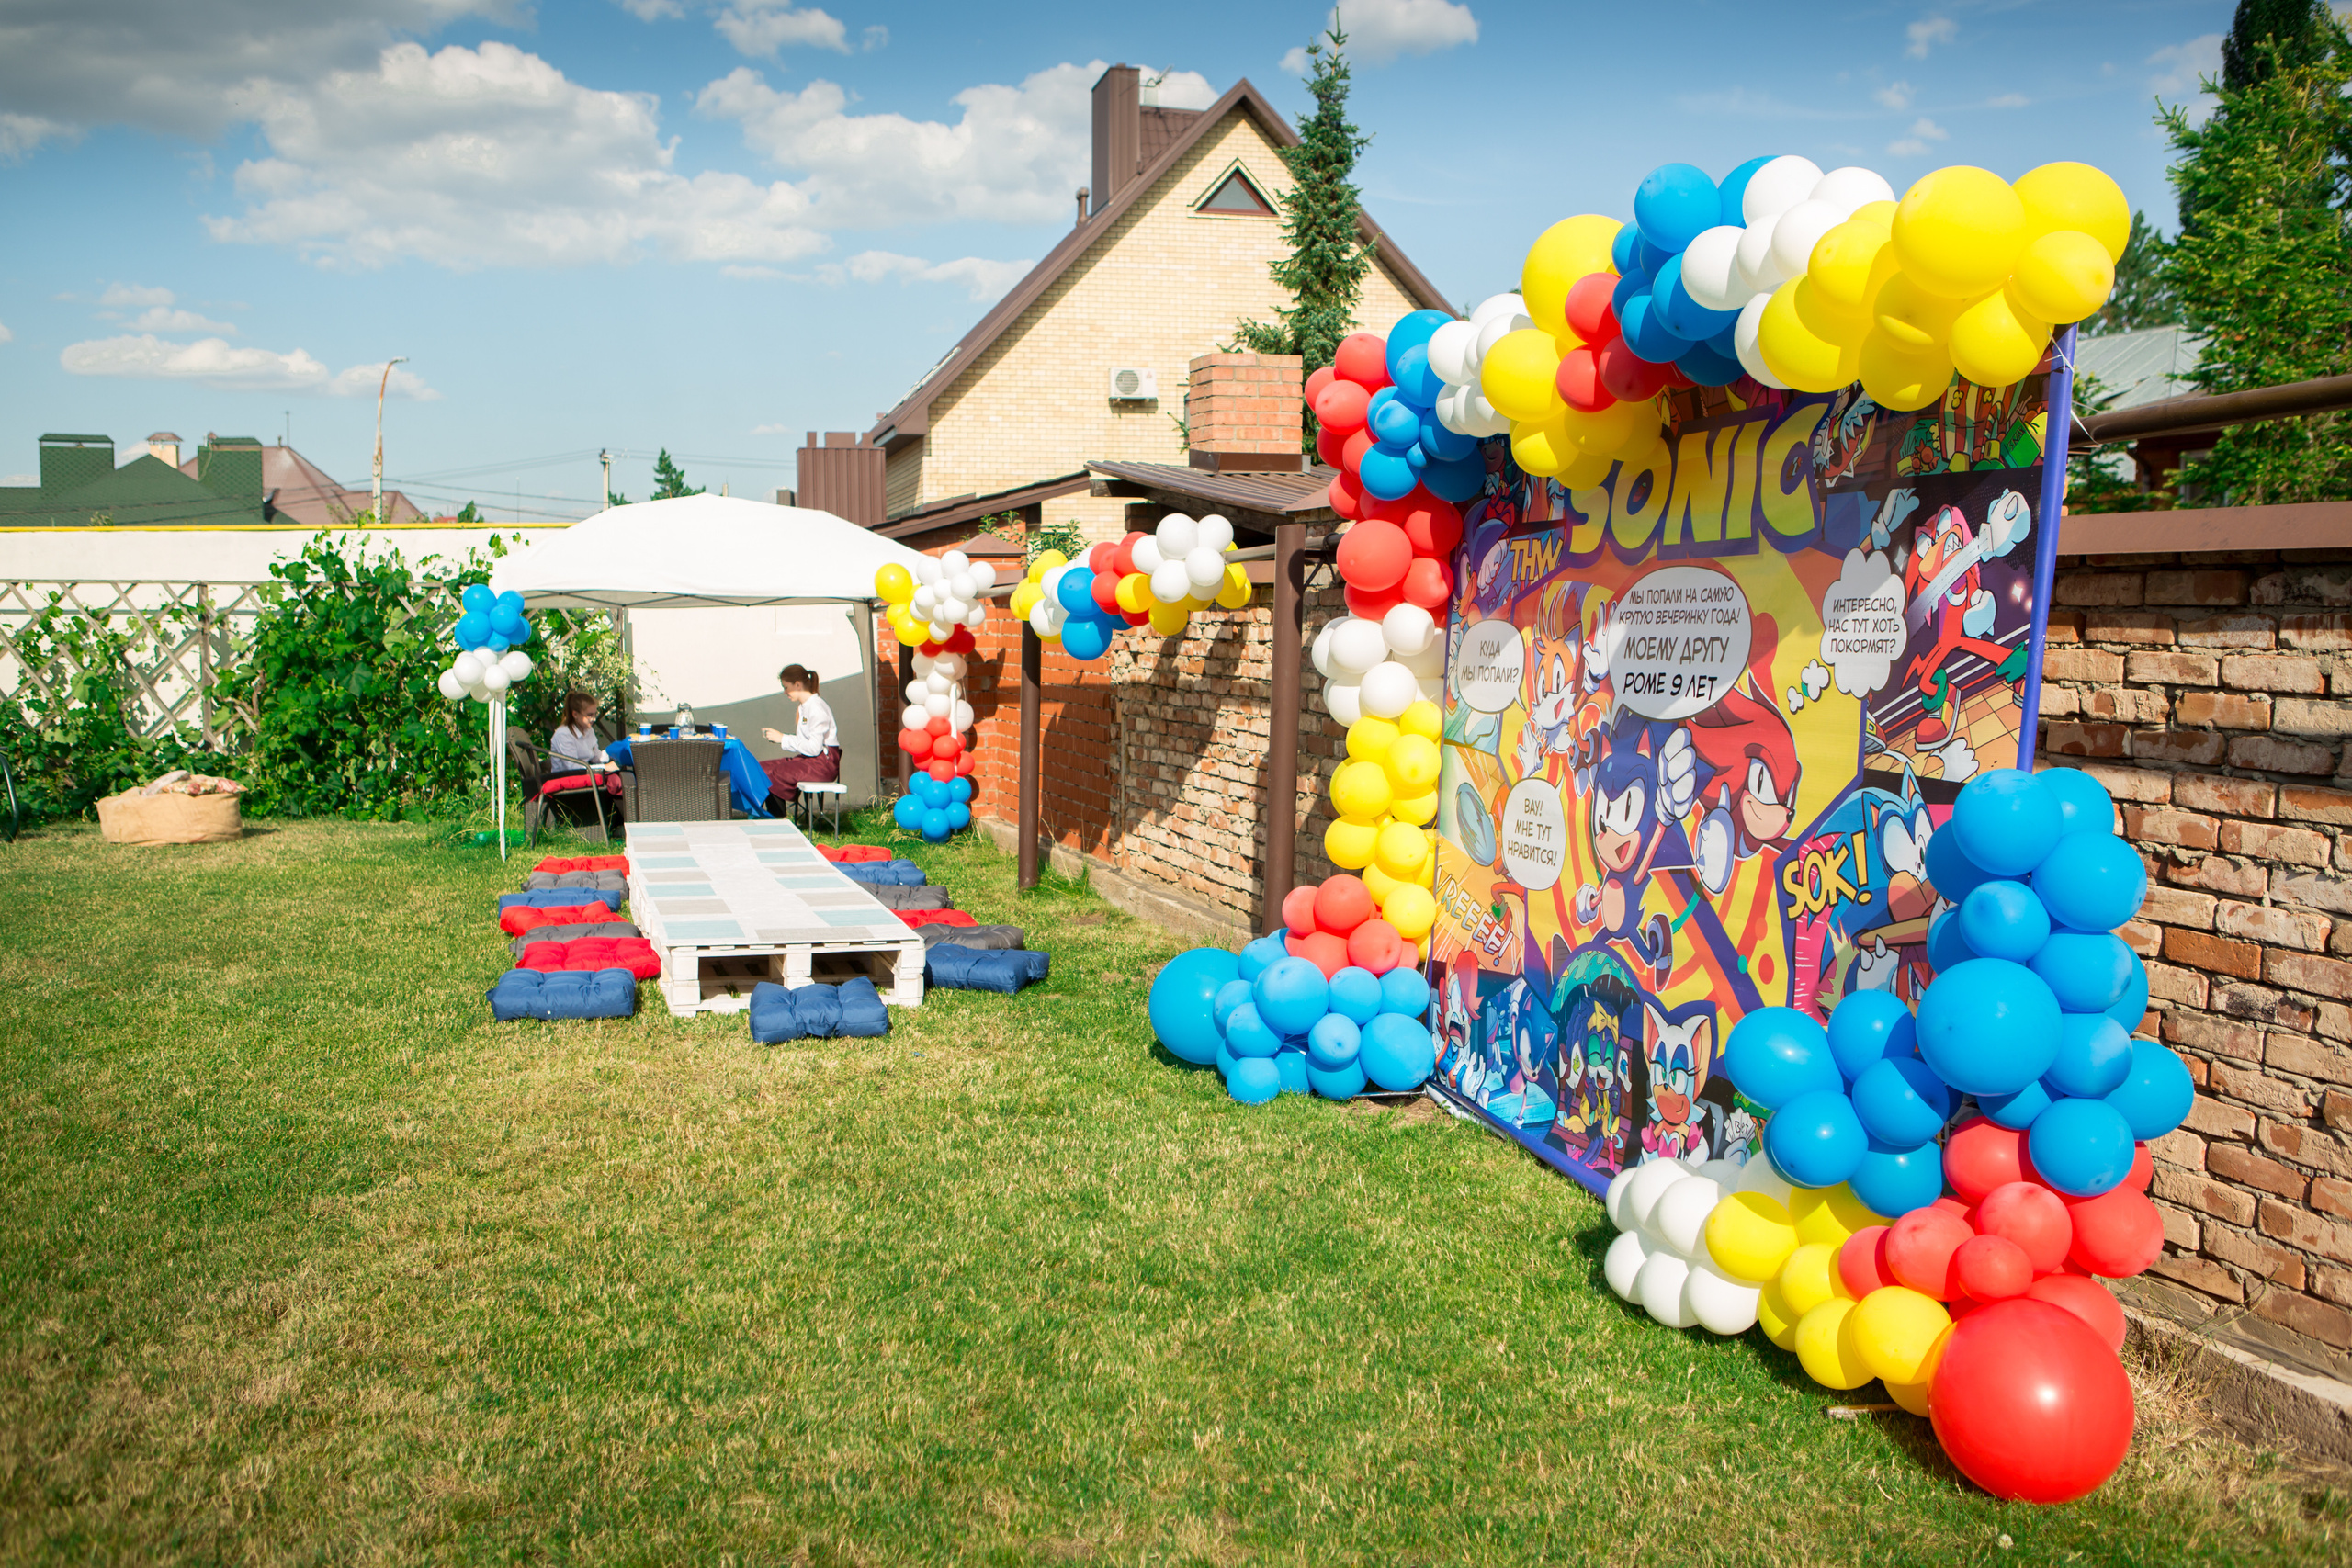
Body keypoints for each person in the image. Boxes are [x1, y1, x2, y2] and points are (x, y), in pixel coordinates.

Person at [761, 664, 841, 810]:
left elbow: (814, 749)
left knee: (780, 773)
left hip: (824, 764)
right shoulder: (804, 707)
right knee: (761, 769)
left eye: (786, 687)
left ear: (797, 685)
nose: (785, 693)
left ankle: (779, 820)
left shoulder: (816, 708)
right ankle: (758, 814)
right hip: (811, 760)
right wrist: (783, 739)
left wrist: (783, 738)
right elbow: (806, 746)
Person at [548, 690, 608, 772]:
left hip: (583, 775)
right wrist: (603, 768)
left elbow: (596, 757)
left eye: (595, 714)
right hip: (565, 779)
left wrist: (613, 753)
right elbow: (572, 768)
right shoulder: (564, 734)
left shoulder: (588, 730)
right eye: (590, 715)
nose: (594, 719)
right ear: (575, 714)